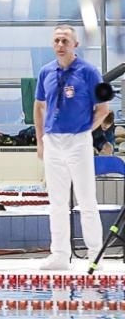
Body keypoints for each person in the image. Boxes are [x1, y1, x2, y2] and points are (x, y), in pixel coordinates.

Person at [34, 24, 107, 270]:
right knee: (57, 203)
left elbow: (103, 110)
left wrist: (85, 130)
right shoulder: (45, 72)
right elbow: (39, 107)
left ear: (75, 44)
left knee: (87, 200)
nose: (60, 45)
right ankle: (60, 255)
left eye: (65, 40)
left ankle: (95, 254)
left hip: (79, 141)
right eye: (56, 40)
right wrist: (40, 140)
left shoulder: (90, 72)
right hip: (53, 142)